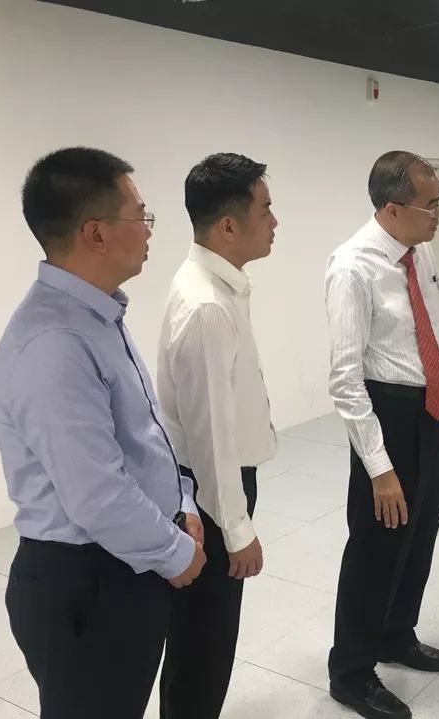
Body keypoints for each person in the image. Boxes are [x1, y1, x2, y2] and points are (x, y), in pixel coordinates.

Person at [0, 147, 207, 719]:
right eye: (141, 215)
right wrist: (176, 552)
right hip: (86, 579)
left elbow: (143, 436)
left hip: (123, 558)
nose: (150, 229)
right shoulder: (55, 342)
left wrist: (181, 503)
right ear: (96, 233)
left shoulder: (96, 314)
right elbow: (97, 494)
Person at [325, 150, 439, 719]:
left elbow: (434, 328)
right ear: (392, 208)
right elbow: (345, 377)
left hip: (435, 410)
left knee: (420, 534)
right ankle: (351, 672)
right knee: (376, 547)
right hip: (390, 417)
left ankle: (396, 633)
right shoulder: (352, 267)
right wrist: (379, 467)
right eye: (431, 204)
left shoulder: (419, 250)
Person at [156, 152, 279, 718]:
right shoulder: (207, 306)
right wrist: (237, 529)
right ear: (228, 225)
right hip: (210, 494)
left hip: (209, 486)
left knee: (201, 637)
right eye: (265, 210)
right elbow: (211, 440)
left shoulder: (219, 287)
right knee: (204, 641)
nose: (274, 222)